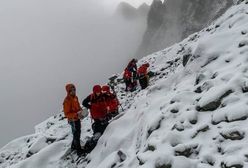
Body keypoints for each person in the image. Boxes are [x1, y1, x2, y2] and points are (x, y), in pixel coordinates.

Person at [82, 85, 109, 153]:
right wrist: (90, 106)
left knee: (106, 129)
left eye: (99, 91)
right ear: (94, 91)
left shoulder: (103, 95)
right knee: (98, 130)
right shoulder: (91, 97)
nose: (98, 93)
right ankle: (93, 144)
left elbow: (109, 97)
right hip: (96, 117)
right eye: (97, 91)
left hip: (103, 115)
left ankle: (102, 140)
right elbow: (84, 102)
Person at [63, 83, 84, 156]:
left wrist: (81, 111)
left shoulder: (75, 97)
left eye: (74, 89)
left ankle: (73, 147)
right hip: (72, 120)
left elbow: (78, 106)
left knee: (78, 133)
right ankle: (79, 151)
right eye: (71, 90)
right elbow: (66, 114)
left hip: (77, 118)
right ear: (68, 91)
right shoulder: (67, 100)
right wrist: (76, 114)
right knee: (76, 134)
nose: (73, 91)